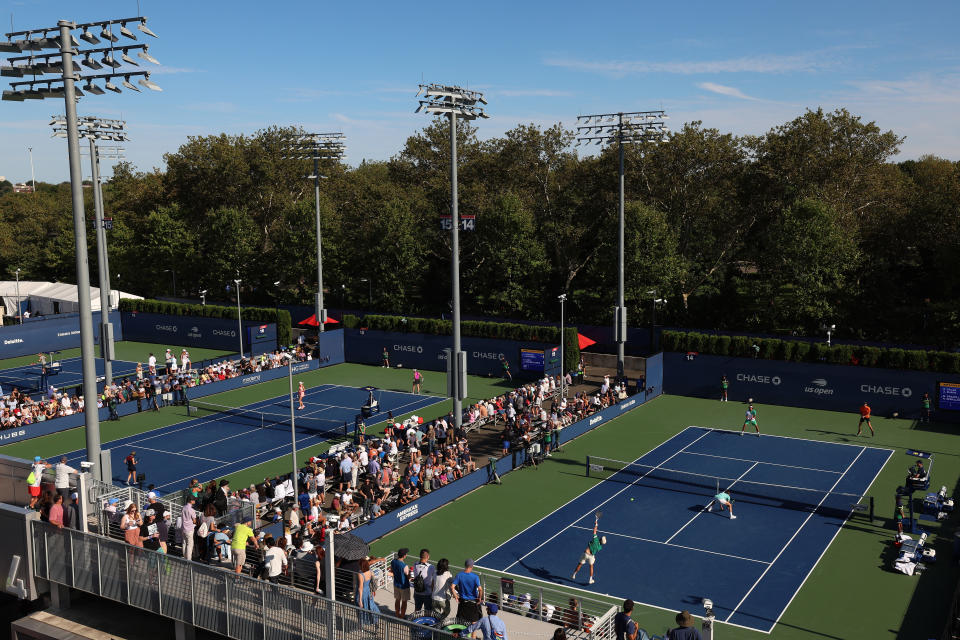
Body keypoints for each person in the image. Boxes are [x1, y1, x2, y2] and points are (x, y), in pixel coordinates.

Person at [571, 515, 605, 584]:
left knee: (580, 564)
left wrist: (596, 524)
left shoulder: (596, 539)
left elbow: (594, 531)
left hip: (585, 553)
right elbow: (594, 551)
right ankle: (590, 579)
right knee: (591, 567)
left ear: (600, 539)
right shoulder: (600, 547)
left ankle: (574, 574)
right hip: (591, 556)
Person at [451, 558, 483, 623]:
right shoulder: (475, 577)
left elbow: (452, 587)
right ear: (472, 566)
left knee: (460, 620)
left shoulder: (459, 575)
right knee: (474, 621)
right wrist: (479, 598)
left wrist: (456, 596)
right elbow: (480, 589)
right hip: (473, 602)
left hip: (463, 602)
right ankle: (473, 633)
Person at [390, 547, 412, 617]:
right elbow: (408, 576)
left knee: (397, 600)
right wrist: (410, 576)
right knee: (404, 602)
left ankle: (397, 614)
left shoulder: (393, 561)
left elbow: (392, 570)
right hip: (404, 586)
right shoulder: (404, 566)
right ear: (404, 556)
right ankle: (402, 617)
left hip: (396, 584)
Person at [413, 548, 436, 613]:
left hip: (417, 592)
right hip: (427, 593)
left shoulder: (415, 565)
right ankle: (426, 622)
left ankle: (415, 622)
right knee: (428, 610)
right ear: (428, 557)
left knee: (417, 610)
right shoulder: (431, 567)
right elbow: (433, 580)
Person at [357, 557, 379, 625]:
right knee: (370, 606)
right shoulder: (370, 571)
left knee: (362, 610)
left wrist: (360, 600)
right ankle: (374, 621)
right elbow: (373, 580)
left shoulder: (360, 574)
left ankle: (362, 624)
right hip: (369, 591)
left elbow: (360, 588)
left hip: (363, 593)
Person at [180, 495, 197, 561]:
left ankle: (185, 557)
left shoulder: (183, 508)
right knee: (189, 545)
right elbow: (194, 520)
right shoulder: (192, 510)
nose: (195, 501)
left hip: (183, 528)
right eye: (194, 500)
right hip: (189, 529)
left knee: (184, 543)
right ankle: (189, 560)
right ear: (191, 501)